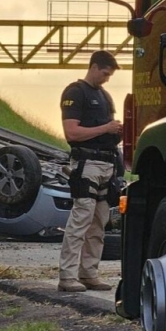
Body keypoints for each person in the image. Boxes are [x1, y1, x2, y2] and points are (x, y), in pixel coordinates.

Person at [58, 50, 122, 292]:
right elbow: (72, 133)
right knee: (81, 219)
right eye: (105, 73)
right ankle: (67, 276)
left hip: (106, 164)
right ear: (94, 67)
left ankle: (88, 273)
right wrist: (106, 128)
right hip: (86, 164)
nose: (106, 79)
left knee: (99, 222)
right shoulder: (75, 92)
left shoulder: (104, 96)